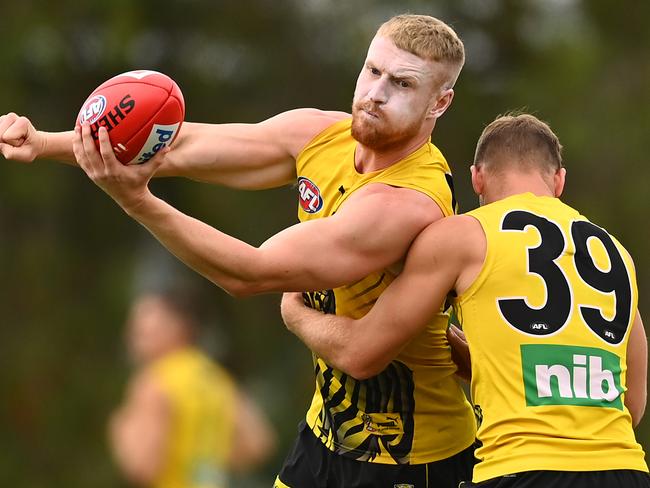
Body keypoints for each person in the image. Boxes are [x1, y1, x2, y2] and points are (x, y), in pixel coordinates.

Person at [0, 15, 477, 487]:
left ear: (440, 101)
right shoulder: (321, 134)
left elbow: (251, 273)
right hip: (324, 438)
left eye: (402, 84)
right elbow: (178, 144)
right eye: (372, 71)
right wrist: (43, 143)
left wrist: (137, 201)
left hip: (415, 459)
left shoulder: (405, 203)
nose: (376, 93)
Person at [280, 113, 650, 487]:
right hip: (624, 469)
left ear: (476, 177)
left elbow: (360, 352)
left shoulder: (465, 235)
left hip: (520, 468)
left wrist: (296, 313)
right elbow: (631, 404)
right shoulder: (618, 254)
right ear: (559, 181)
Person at [110, 290, 276, 488]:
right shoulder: (215, 377)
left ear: (179, 327)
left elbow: (142, 467)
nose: (132, 336)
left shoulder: (155, 381)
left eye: (143, 331)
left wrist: (120, 429)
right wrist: (209, 457)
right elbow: (258, 444)